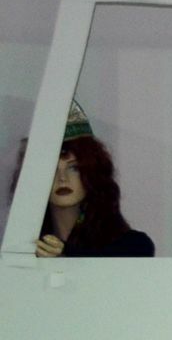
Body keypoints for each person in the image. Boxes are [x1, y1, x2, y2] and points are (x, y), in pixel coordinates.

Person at [33, 102, 155, 258]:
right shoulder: (22, 247)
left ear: (92, 175)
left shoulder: (131, 245)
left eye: (74, 168)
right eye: (52, 170)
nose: (62, 178)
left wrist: (66, 254)